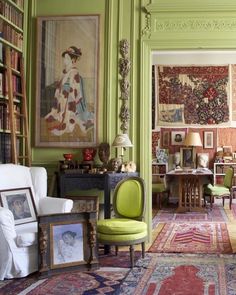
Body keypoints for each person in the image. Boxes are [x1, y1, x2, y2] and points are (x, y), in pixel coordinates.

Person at [45, 46, 94, 136]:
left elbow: (74, 89)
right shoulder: (65, 72)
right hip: (63, 97)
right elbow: (61, 86)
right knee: (54, 113)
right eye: (64, 58)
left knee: (71, 117)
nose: (64, 60)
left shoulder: (74, 72)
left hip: (71, 100)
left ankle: (69, 115)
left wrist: (64, 91)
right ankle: (61, 111)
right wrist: (60, 90)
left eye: (67, 58)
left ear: (72, 60)